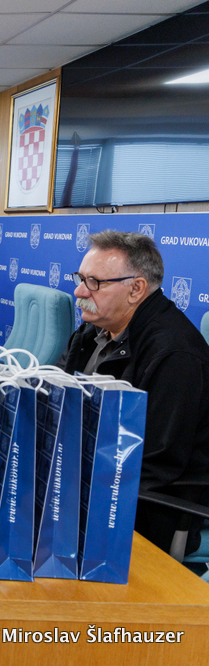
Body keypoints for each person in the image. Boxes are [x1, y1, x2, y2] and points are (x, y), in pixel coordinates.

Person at [58, 230, 209, 556]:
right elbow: (56, 397)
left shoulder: (175, 355)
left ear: (136, 289)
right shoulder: (92, 330)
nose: (79, 291)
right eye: (80, 278)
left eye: (94, 282)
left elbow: (155, 466)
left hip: (145, 511)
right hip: (84, 480)